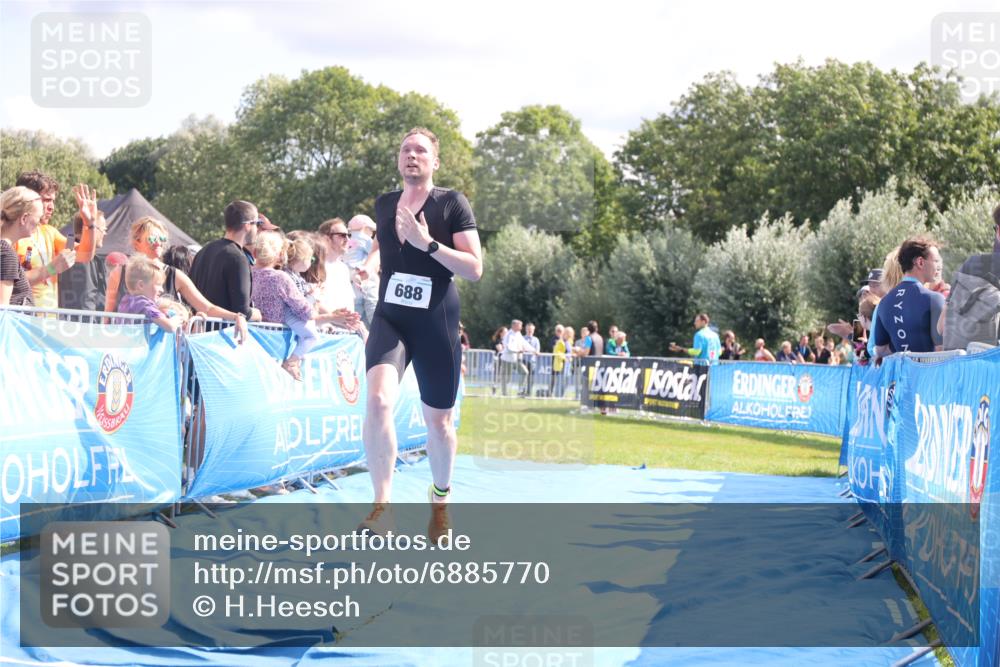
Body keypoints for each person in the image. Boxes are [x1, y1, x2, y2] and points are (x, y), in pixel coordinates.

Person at [358, 127, 483, 541]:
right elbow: (384, 245)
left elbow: (474, 268)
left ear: (435, 161)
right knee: (377, 401)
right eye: (406, 149)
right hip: (392, 317)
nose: (412, 155)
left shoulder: (452, 203)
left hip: (435, 321)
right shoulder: (384, 204)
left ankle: (440, 501)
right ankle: (382, 506)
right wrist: (372, 264)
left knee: (440, 424)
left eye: (421, 150)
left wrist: (427, 243)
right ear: (398, 159)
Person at [105, 216, 249, 343]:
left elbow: (207, 307)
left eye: (162, 239)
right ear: (137, 243)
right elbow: (107, 315)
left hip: (163, 356)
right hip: (128, 350)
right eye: (152, 238)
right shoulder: (120, 272)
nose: (158, 243)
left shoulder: (175, 275)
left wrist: (237, 316)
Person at [13, 172, 90, 309]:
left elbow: (85, 254)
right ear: (28, 199)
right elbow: (8, 282)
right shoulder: (11, 236)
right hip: (20, 324)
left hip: (48, 324)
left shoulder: (49, 232)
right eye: (47, 200)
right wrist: (51, 268)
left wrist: (90, 223)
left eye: (53, 201)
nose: (52, 207)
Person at [188, 200, 263, 323]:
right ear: (248, 225)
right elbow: (242, 311)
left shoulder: (204, 250)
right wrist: (257, 314)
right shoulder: (238, 258)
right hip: (221, 336)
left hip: (198, 332)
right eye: (257, 223)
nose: (258, 229)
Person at [873, 236, 946, 361]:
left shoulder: (884, 303)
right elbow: (941, 350)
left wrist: (903, 347)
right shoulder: (934, 299)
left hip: (902, 379)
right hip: (929, 377)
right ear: (920, 262)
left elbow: (881, 351)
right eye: (936, 261)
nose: (939, 266)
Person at [115, 255, 186, 333]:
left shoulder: (126, 300)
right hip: (142, 344)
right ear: (141, 285)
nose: (162, 290)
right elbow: (170, 327)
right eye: (158, 284)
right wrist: (177, 319)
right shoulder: (144, 304)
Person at [1, 186, 44, 306]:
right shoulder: (6, 252)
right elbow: (2, 309)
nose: (39, 224)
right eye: (38, 218)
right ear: (24, 218)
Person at [345, 214, 379, 327]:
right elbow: (376, 253)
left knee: (357, 309)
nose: (372, 233)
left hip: (350, 278)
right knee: (373, 307)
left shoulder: (348, 240)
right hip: (363, 277)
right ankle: (378, 333)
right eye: (371, 230)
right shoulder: (365, 239)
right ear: (365, 228)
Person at [500, 319, 527, 396]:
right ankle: (504, 394)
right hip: (507, 359)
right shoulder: (509, 335)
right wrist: (518, 351)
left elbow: (524, 343)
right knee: (506, 378)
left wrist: (534, 351)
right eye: (520, 325)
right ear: (514, 326)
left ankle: (520, 390)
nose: (521, 327)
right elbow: (508, 348)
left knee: (525, 372)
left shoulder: (518, 333)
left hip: (516, 359)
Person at [551, 325, 573, 397]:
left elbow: (570, 352)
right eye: (568, 333)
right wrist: (565, 358)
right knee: (560, 381)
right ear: (565, 333)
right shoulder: (560, 342)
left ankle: (562, 395)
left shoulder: (569, 342)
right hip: (561, 364)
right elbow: (557, 352)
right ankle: (558, 395)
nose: (570, 335)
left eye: (571, 333)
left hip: (567, 365)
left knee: (565, 381)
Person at [521, 322, 540, 397]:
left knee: (531, 378)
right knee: (523, 377)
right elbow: (521, 348)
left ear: (533, 330)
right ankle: (522, 392)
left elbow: (537, 351)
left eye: (531, 330)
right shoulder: (522, 338)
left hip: (532, 362)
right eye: (528, 329)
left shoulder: (536, 340)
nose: (529, 331)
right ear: (525, 329)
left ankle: (529, 393)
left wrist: (532, 351)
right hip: (524, 361)